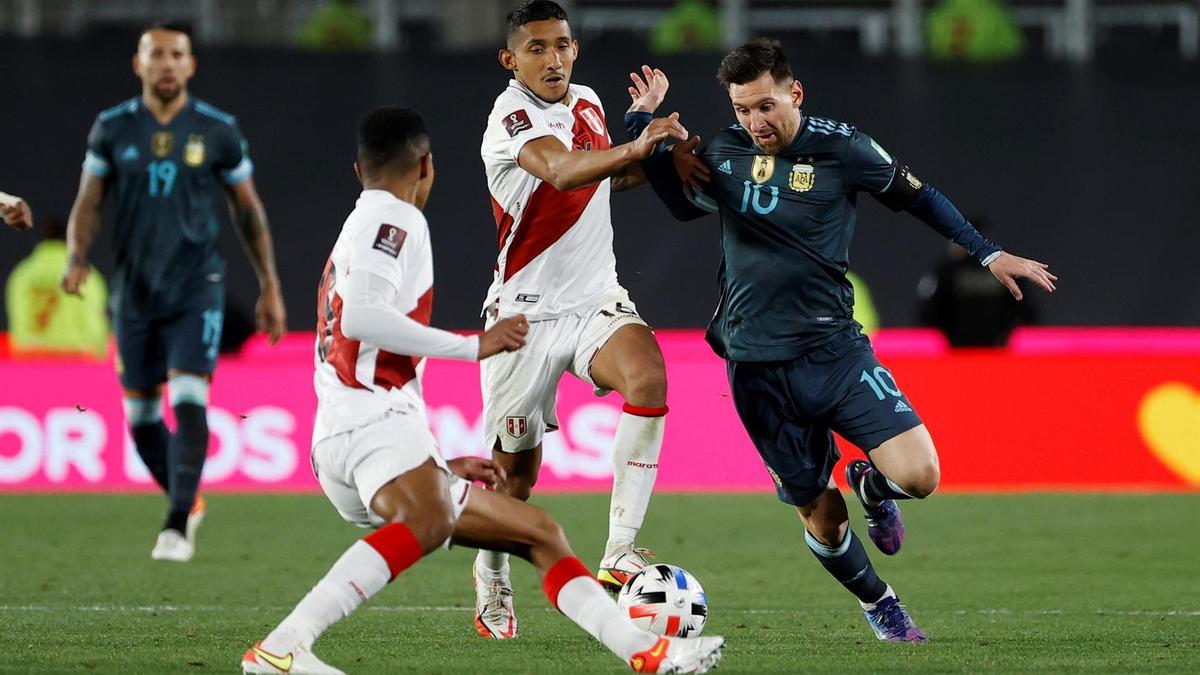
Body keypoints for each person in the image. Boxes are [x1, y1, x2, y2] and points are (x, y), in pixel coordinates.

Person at [241, 106, 724, 675]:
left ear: (357, 169)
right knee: (428, 524)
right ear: (426, 166)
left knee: (539, 531)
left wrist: (437, 464)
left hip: (356, 434)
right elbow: (362, 322)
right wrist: (473, 346)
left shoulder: (357, 224)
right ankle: (282, 647)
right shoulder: (393, 223)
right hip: (369, 430)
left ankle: (648, 654)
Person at [627, 38, 1056, 641]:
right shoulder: (721, 150)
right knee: (822, 520)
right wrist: (642, 125)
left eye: (766, 106)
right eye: (742, 109)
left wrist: (987, 253)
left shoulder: (844, 149)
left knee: (921, 475)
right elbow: (679, 206)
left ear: (794, 93)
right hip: (755, 370)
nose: (755, 122)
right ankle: (880, 601)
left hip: (835, 353)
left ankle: (871, 485)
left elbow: (919, 197)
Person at [474, 0, 691, 639]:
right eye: (537, 48)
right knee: (515, 477)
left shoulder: (590, 102)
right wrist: (638, 141)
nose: (554, 58)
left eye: (563, 45)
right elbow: (564, 171)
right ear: (510, 59)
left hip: (595, 298)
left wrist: (655, 159)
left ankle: (619, 550)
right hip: (522, 315)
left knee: (648, 379)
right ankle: (492, 575)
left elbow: (604, 181)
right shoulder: (509, 117)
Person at [63, 21, 286, 562]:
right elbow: (89, 202)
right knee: (140, 419)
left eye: (176, 54)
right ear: (138, 64)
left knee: (190, 398)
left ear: (191, 65)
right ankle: (189, 500)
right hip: (135, 291)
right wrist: (75, 258)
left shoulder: (217, 130)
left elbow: (247, 210)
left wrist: (270, 286)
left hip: (196, 287)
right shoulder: (112, 128)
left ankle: (175, 524)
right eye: (156, 54)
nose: (166, 63)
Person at [917, 216, 1036, 346]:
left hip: (960, 349)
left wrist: (950, 334)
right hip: (996, 349)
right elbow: (1026, 311)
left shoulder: (948, 269)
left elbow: (928, 313)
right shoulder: (1004, 269)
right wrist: (1005, 332)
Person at [6, 215, 109, 358]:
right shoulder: (86, 275)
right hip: (76, 362)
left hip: (31, 362)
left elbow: (17, 319)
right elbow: (96, 321)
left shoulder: (22, 274)